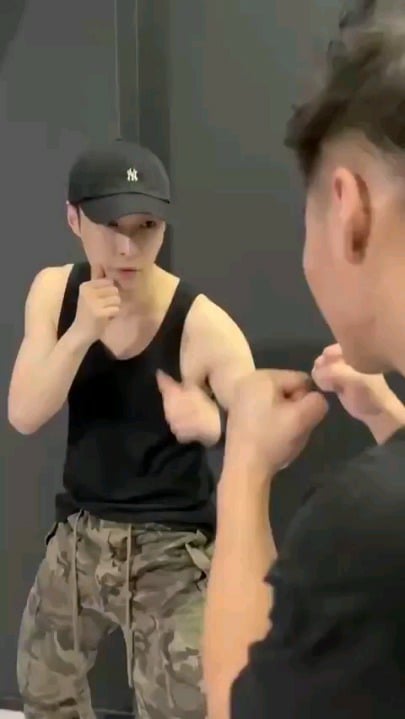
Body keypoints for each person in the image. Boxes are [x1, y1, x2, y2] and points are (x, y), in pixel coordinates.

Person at [8, 140, 255, 719]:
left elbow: (267, 437)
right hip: (82, 536)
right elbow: (24, 414)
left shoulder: (204, 326)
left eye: (146, 227)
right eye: (110, 226)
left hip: (172, 549)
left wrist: (216, 425)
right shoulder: (55, 291)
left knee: (180, 710)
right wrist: (80, 333)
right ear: (74, 219)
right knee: (42, 689)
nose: (127, 247)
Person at [203, 12, 405, 719]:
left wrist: (244, 469)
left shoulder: (365, 526)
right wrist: (391, 422)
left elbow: (237, 703)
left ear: (349, 211)